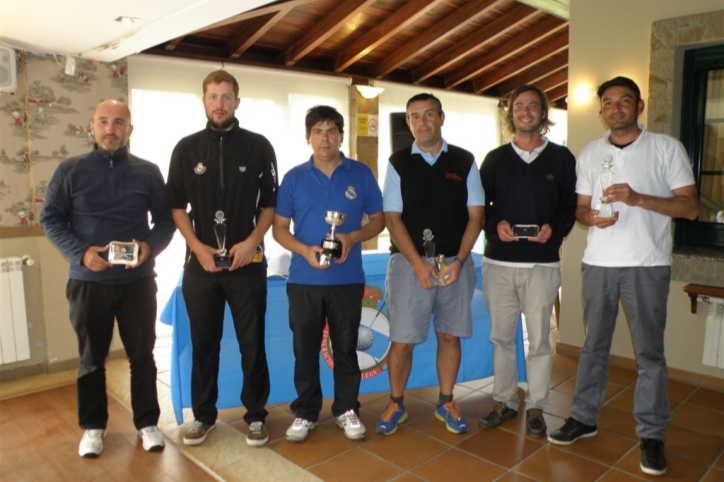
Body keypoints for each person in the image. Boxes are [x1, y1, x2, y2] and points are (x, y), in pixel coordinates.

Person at [548, 76, 699, 477]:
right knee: (592, 347)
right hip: (599, 263)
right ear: (601, 111)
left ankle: (652, 434)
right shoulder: (589, 153)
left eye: (624, 101)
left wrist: (638, 199)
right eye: (609, 102)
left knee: (649, 353)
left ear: (639, 106)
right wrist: (589, 218)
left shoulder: (666, 148)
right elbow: (581, 209)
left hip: (647, 265)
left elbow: (690, 208)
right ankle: (583, 417)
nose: (616, 108)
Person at [40, 99, 175, 458]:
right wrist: (82, 253)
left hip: (137, 283)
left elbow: (165, 220)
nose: (110, 129)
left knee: (143, 357)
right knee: (90, 360)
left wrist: (148, 248)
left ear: (130, 130)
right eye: (103, 121)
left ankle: (147, 423)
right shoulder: (70, 170)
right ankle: (93, 427)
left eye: (118, 122)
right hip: (87, 284)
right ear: (92, 126)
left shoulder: (148, 172)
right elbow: (50, 219)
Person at [165, 70, 278, 447]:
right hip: (201, 266)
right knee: (204, 344)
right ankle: (203, 416)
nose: (219, 104)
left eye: (226, 97)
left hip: (249, 264)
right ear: (204, 102)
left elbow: (269, 206)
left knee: (252, 343)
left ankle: (257, 416)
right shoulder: (185, 148)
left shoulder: (259, 146)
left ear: (237, 102)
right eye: (213, 96)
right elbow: (176, 207)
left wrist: (251, 242)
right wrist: (198, 247)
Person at [272, 105, 384, 442]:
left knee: (346, 348)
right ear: (308, 137)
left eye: (332, 131)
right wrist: (305, 250)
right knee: (304, 349)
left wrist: (351, 236)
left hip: (347, 280)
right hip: (304, 281)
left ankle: (347, 409)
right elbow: (278, 229)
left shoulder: (361, 174)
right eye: (318, 131)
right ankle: (306, 412)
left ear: (341, 136)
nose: (325, 137)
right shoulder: (293, 178)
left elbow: (378, 220)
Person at [376, 93, 485, 436]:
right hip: (409, 266)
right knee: (402, 340)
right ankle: (396, 403)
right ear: (408, 123)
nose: (422, 122)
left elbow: (476, 216)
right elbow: (392, 220)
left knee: (449, 336)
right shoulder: (397, 163)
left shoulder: (465, 161)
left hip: (456, 264)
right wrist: (417, 265)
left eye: (428, 115)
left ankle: (447, 401)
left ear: (441, 117)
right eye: (414, 117)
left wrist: (460, 261)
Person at [478, 85, 577, 437]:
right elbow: (480, 210)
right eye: (519, 106)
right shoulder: (495, 159)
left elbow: (570, 209)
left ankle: (536, 406)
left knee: (539, 342)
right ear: (511, 115)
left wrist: (555, 229)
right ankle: (505, 400)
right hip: (499, 265)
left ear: (542, 113)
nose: (525, 111)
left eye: (532, 106)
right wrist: (495, 225)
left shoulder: (562, 159)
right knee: (501, 337)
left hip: (542, 265)